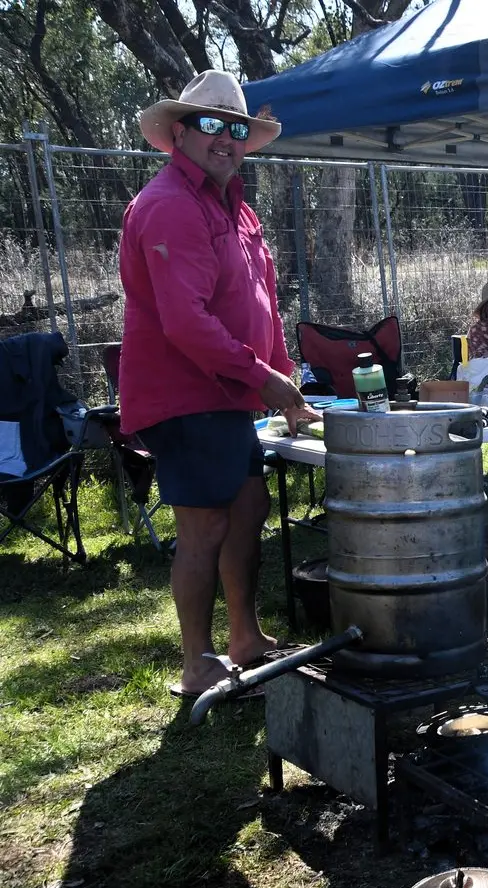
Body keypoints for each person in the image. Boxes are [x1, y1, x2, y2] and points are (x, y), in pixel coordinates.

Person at [120, 70, 319, 698]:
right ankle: (199, 662)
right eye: (212, 125)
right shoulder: (170, 205)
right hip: (186, 398)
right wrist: (265, 380)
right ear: (179, 133)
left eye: (237, 128)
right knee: (204, 526)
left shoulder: (237, 209)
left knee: (249, 508)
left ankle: (245, 638)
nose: (227, 139)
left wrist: (283, 379)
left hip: (229, 394)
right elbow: (187, 322)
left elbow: (261, 300)